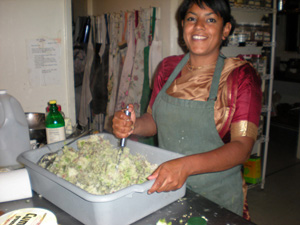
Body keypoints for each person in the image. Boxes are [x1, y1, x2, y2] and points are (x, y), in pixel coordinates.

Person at [112, 0, 262, 218]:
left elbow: (242, 147)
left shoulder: (240, 77)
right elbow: (153, 122)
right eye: (192, 19)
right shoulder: (167, 68)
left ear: (225, 29)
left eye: (210, 19)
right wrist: (132, 124)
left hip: (216, 198)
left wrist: (185, 166)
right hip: (167, 189)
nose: (199, 26)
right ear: (183, 25)